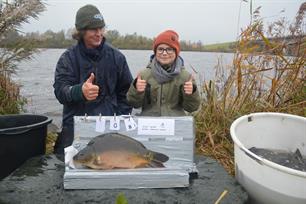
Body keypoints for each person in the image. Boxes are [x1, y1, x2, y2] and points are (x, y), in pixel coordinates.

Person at [53, 4, 133, 154]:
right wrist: (79, 92)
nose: (99, 33)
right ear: (81, 32)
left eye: (101, 28)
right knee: (68, 170)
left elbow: (126, 94)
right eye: (93, 29)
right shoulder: (68, 58)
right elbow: (60, 91)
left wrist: (118, 122)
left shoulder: (117, 57)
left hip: (108, 129)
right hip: (75, 128)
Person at [127, 30, 200, 116]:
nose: (164, 53)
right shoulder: (143, 75)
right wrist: (137, 90)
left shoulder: (186, 77)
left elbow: (191, 108)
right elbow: (134, 104)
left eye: (169, 49)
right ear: (155, 52)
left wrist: (190, 94)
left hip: (176, 124)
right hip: (149, 124)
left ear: (176, 52)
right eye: (160, 49)